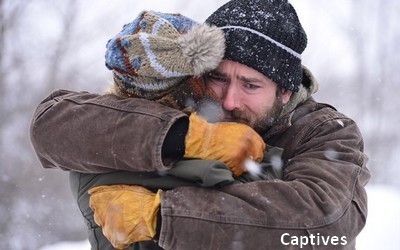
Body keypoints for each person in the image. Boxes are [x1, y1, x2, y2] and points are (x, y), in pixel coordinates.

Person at [30, 0, 371, 249]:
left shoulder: (325, 131)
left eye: (251, 85)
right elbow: (52, 127)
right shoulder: (187, 102)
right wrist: (186, 136)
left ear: (285, 91)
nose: (230, 101)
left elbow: (327, 222)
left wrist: (161, 217)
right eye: (219, 78)